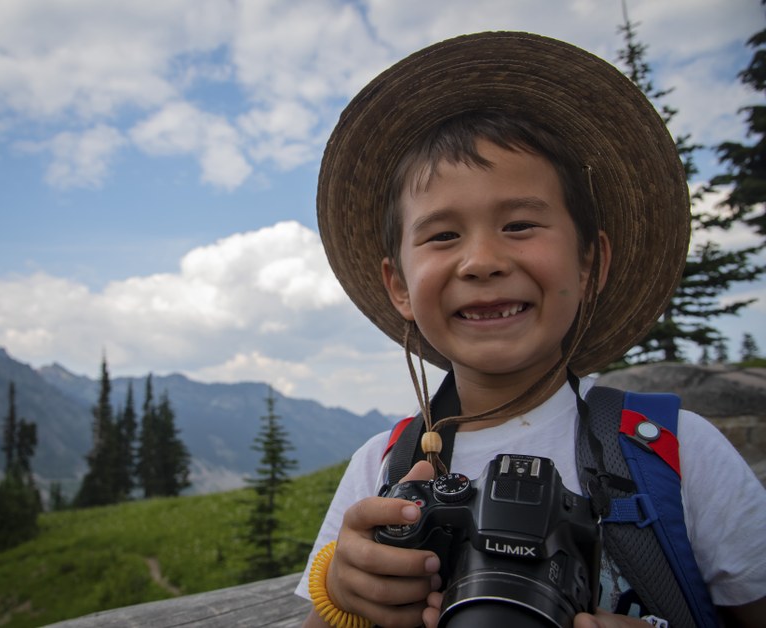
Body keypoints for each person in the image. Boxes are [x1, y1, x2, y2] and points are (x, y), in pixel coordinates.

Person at [296, 32, 766, 628]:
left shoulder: (678, 455)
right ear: (400, 289)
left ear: (590, 261)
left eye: (520, 224)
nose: (482, 260)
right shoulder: (384, 468)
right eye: (442, 236)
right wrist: (342, 593)